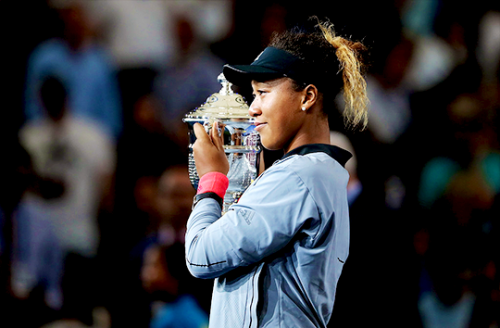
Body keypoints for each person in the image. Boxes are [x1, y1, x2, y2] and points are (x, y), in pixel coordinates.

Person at [184, 18, 369, 327]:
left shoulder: (300, 176)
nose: (253, 108)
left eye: (264, 92)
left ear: (307, 97)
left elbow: (200, 256)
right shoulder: (311, 173)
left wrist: (211, 179)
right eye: (253, 95)